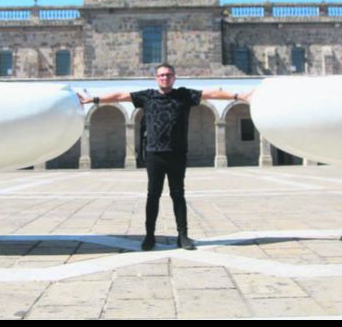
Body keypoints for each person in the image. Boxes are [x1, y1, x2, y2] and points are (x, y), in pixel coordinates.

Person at [77, 63, 254, 251]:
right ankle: (150, 236)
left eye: (168, 75)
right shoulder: (147, 96)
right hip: (154, 153)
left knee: (178, 194)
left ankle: (183, 235)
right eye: (161, 75)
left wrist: (238, 96)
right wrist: (92, 99)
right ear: (156, 78)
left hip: (177, 153)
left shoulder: (184, 95)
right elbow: (120, 96)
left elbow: (211, 93)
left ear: (174, 78)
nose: (165, 78)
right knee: (153, 195)